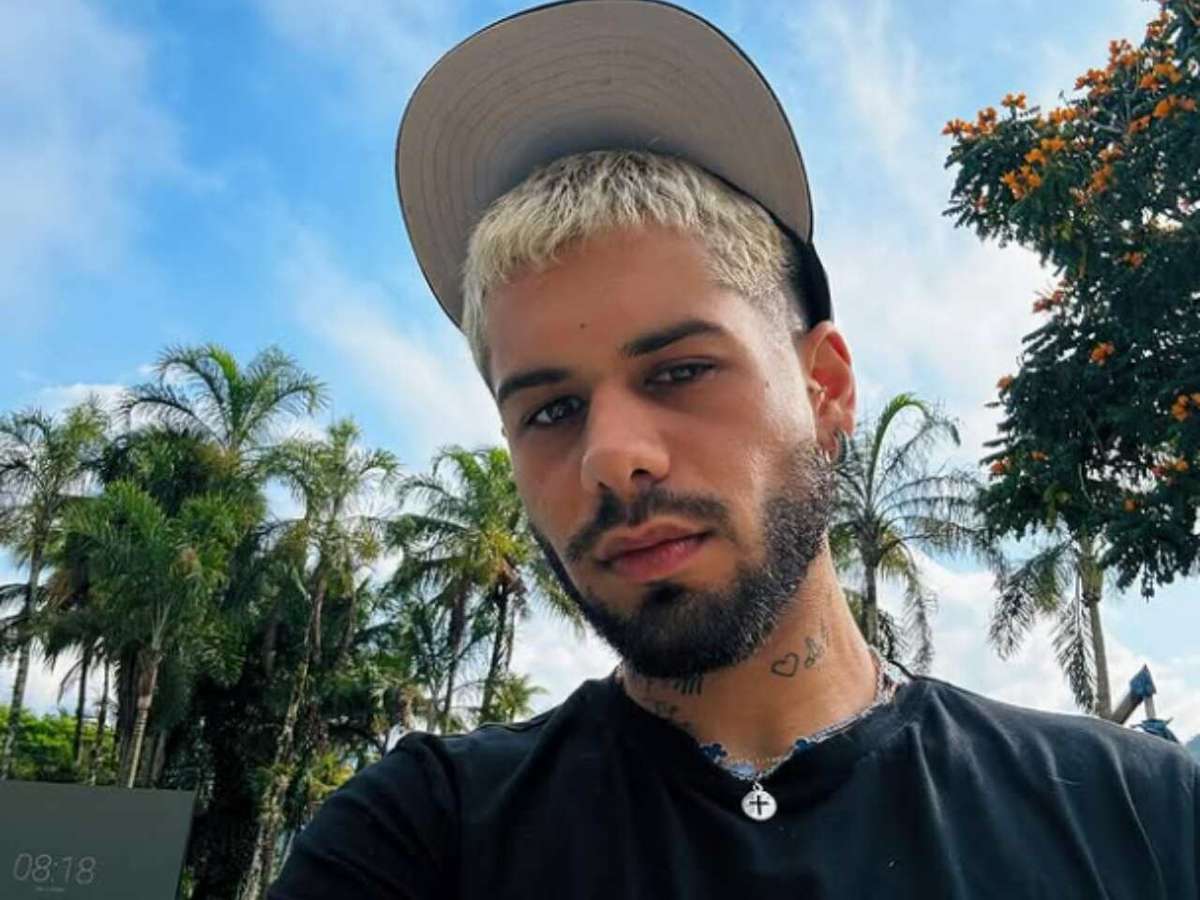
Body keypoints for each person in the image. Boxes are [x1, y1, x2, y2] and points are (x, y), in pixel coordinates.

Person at [269, 2, 1199, 897]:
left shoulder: (1141, 815)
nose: (612, 458)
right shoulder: (422, 838)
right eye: (551, 410)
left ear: (824, 388)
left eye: (680, 371)